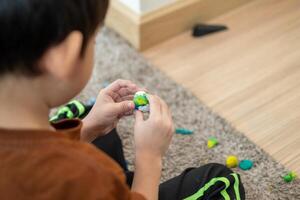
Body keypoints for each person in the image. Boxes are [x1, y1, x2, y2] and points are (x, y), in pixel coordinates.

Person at [0, 0, 245, 199]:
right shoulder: (83, 174)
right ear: (65, 55)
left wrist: (88, 127)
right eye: (94, 40)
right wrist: (149, 159)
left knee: (89, 121)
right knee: (220, 180)